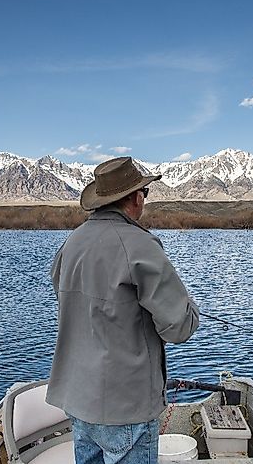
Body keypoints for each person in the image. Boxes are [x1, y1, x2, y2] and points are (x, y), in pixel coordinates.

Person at [47, 156, 200, 464]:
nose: (144, 199)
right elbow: (179, 326)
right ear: (134, 197)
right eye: (144, 193)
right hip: (125, 407)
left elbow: (68, 297)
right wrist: (190, 308)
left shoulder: (71, 243)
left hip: (78, 401)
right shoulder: (140, 245)